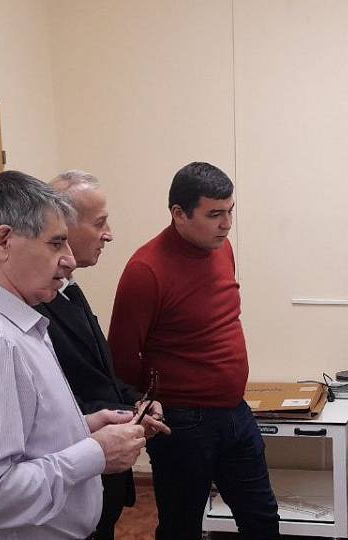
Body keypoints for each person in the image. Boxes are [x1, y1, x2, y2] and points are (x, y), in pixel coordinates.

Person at [0, 170, 156, 539]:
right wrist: (93, 453)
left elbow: (19, 440)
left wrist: (80, 428)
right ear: (4, 242)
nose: (69, 260)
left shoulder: (9, 323)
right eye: (56, 243)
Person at [109, 162, 280, 539]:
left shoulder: (222, 248)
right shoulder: (146, 270)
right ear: (179, 214)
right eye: (214, 214)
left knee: (262, 517)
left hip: (235, 410)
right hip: (183, 422)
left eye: (230, 211)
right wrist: (151, 404)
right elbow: (122, 355)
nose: (227, 224)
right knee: (181, 527)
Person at [36, 170, 169, 540]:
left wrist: (136, 403)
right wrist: (118, 418)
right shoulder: (33, 307)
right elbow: (51, 404)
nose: (108, 234)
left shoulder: (69, 290)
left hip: (101, 483)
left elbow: (99, 375)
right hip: (70, 484)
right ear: (62, 227)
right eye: (99, 223)